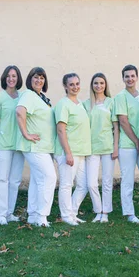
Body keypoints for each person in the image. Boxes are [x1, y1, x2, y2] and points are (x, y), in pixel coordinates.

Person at [16, 67, 56, 227]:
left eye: (42, 78)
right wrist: (26, 134)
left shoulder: (42, 98)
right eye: (35, 77)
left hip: (44, 147)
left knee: (38, 180)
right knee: (49, 177)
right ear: (29, 79)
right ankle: (42, 216)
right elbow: (19, 112)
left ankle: (33, 215)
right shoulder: (28, 95)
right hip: (34, 146)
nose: (39, 80)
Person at [80, 73, 119, 223]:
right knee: (91, 182)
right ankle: (98, 210)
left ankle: (106, 212)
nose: (99, 86)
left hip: (108, 147)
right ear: (92, 85)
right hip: (91, 148)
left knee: (107, 181)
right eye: (96, 83)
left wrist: (115, 147)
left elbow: (116, 126)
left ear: (105, 85)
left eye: (101, 83)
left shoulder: (111, 102)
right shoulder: (86, 104)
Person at [54, 73, 91, 226]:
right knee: (66, 184)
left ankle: (72, 213)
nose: (75, 87)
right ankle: (65, 216)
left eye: (77, 84)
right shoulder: (63, 104)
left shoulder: (80, 103)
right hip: (68, 152)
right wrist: (68, 153)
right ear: (65, 86)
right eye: (71, 84)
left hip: (81, 152)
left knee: (83, 185)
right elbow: (61, 130)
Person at [0, 65, 25, 225]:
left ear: (18, 79)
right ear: (4, 78)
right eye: (9, 76)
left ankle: (10, 212)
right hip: (3, 146)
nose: (11, 79)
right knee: (1, 180)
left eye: (14, 76)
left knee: (15, 180)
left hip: (18, 145)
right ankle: (1, 214)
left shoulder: (22, 97)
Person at [114, 64, 139, 223]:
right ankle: (129, 213)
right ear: (123, 78)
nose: (130, 79)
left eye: (132, 76)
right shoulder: (120, 97)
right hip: (128, 145)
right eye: (126, 76)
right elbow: (123, 121)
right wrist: (137, 142)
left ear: (137, 77)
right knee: (127, 179)